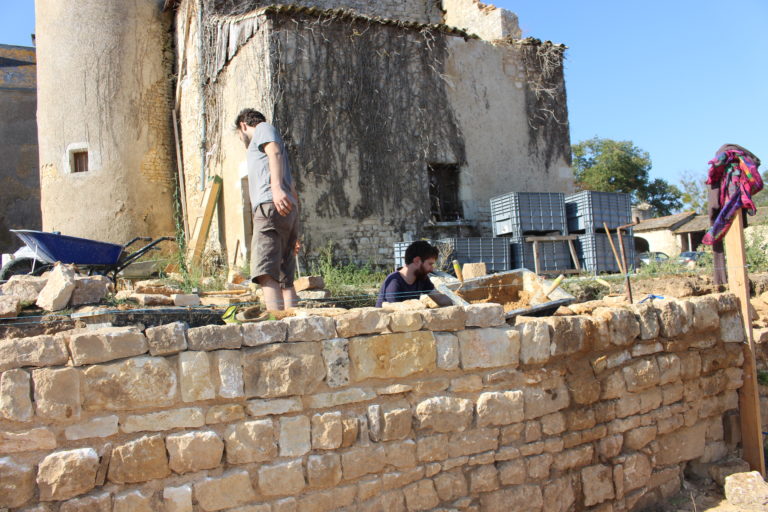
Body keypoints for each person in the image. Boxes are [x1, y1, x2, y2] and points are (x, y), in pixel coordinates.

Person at [235, 108, 299, 311]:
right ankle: (294, 328)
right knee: (284, 277)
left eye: (239, 134)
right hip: (286, 210)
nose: (241, 139)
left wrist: (276, 188)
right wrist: (296, 227)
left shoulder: (262, 129)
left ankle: (277, 329)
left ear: (243, 126)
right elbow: (294, 189)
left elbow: (275, 151)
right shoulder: (268, 146)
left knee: (266, 272)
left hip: (269, 206)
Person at [376, 241, 438, 307]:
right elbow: (397, 313)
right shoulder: (394, 282)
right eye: (430, 264)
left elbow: (440, 298)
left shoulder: (421, 278)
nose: (432, 269)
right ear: (417, 261)